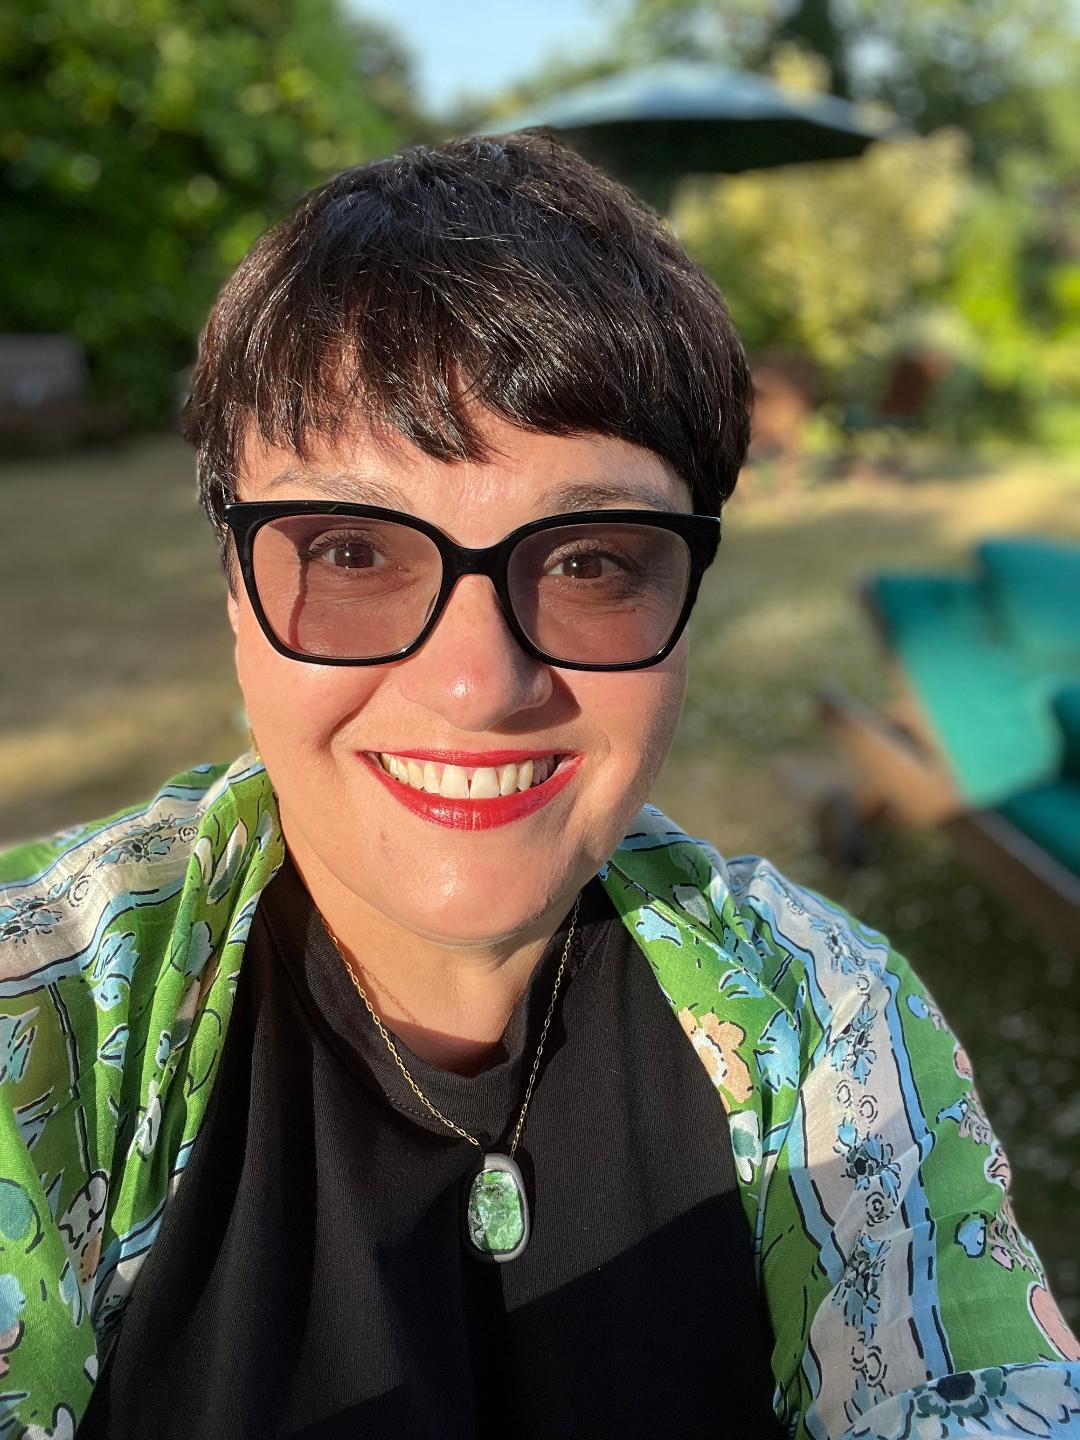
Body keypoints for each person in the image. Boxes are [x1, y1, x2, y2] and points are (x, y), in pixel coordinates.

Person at [1, 132, 1077, 1440]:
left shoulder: (830, 1024)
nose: (477, 683)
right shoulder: (41, 1015)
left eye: (588, 562)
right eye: (352, 553)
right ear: (237, 589)